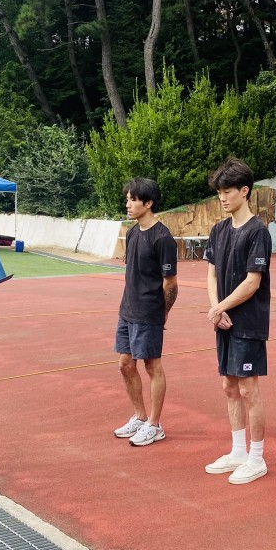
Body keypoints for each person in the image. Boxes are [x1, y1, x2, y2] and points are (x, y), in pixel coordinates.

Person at [202, 158, 273, 485]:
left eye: (228, 191)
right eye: (219, 192)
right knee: (228, 386)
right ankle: (238, 451)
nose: (222, 197)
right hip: (224, 320)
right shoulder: (218, 231)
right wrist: (216, 309)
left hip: (248, 322)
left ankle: (257, 458)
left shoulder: (258, 232)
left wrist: (220, 308)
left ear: (244, 191)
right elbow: (212, 273)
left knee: (248, 389)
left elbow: (252, 282)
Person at [112, 178, 179, 447]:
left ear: (148, 203)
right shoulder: (132, 233)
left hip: (149, 312)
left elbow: (171, 283)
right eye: (127, 199)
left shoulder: (163, 239)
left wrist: (163, 312)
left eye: (133, 199)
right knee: (125, 365)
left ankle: (154, 424)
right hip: (127, 310)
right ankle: (139, 417)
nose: (128, 204)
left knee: (152, 366)